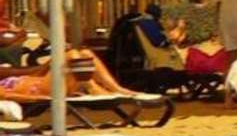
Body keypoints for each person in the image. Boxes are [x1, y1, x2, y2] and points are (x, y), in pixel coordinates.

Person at [0, 47, 138, 101]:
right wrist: (38, 98)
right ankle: (93, 88)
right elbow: (6, 95)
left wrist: (51, 62)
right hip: (39, 90)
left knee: (85, 53)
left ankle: (116, 88)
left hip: (42, 81)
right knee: (72, 55)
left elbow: (35, 72)